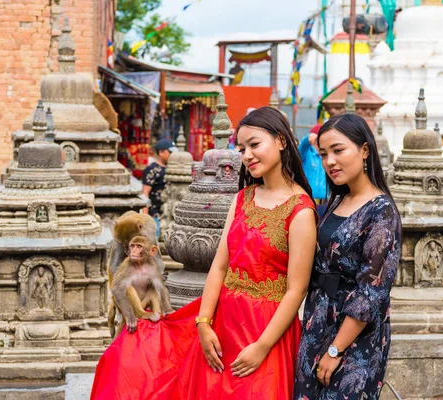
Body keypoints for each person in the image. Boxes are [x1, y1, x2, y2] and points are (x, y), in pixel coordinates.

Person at [91, 107, 318, 400]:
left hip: (267, 330)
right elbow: (220, 267)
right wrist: (203, 323)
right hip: (222, 322)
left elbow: (296, 290)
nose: (246, 155)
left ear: (282, 142)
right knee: (134, 361)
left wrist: (262, 346)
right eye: (242, 148)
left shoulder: (301, 211)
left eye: (255, 145)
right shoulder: (243, 198)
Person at [293, 113, 402, 400]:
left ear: (364, 150)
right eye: (324, 153)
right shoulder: (338, 201)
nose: (330, 161)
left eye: (338, 150)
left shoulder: (381, 211)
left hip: (354, 337)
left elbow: (372, 291)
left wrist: (336, 349)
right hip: (317, 321)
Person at [142, 138, 177, 236]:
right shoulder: (152, 170)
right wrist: (145, 217)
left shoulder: (172, 168)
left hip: (169, 213)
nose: (172, 155)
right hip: (155, 214)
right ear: (161, 152)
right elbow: (145, 192)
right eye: (170, 152)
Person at [298, 124, 328, 215]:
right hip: (307, 201)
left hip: (325, 203)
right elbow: (301, 148)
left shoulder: (327, 157)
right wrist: (308, 139)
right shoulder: (306, 154)